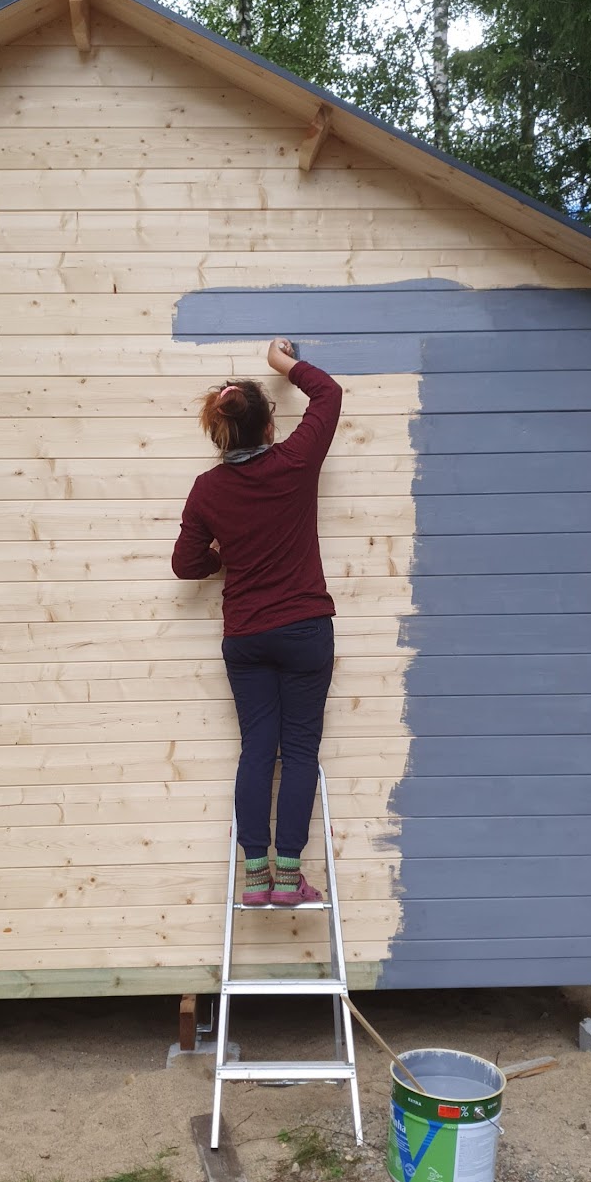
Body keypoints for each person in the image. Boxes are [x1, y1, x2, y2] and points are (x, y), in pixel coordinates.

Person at [171, 338, 342, 906]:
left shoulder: (207, 490)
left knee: (257, 750)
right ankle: (288, 879)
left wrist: (224, 559)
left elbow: (185, 564)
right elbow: (328, 394)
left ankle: (255, 879)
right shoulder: (294, 462)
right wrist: (282, 362)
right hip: (305, 629)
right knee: (299, 752)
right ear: (269, 426)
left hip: (245, 635)